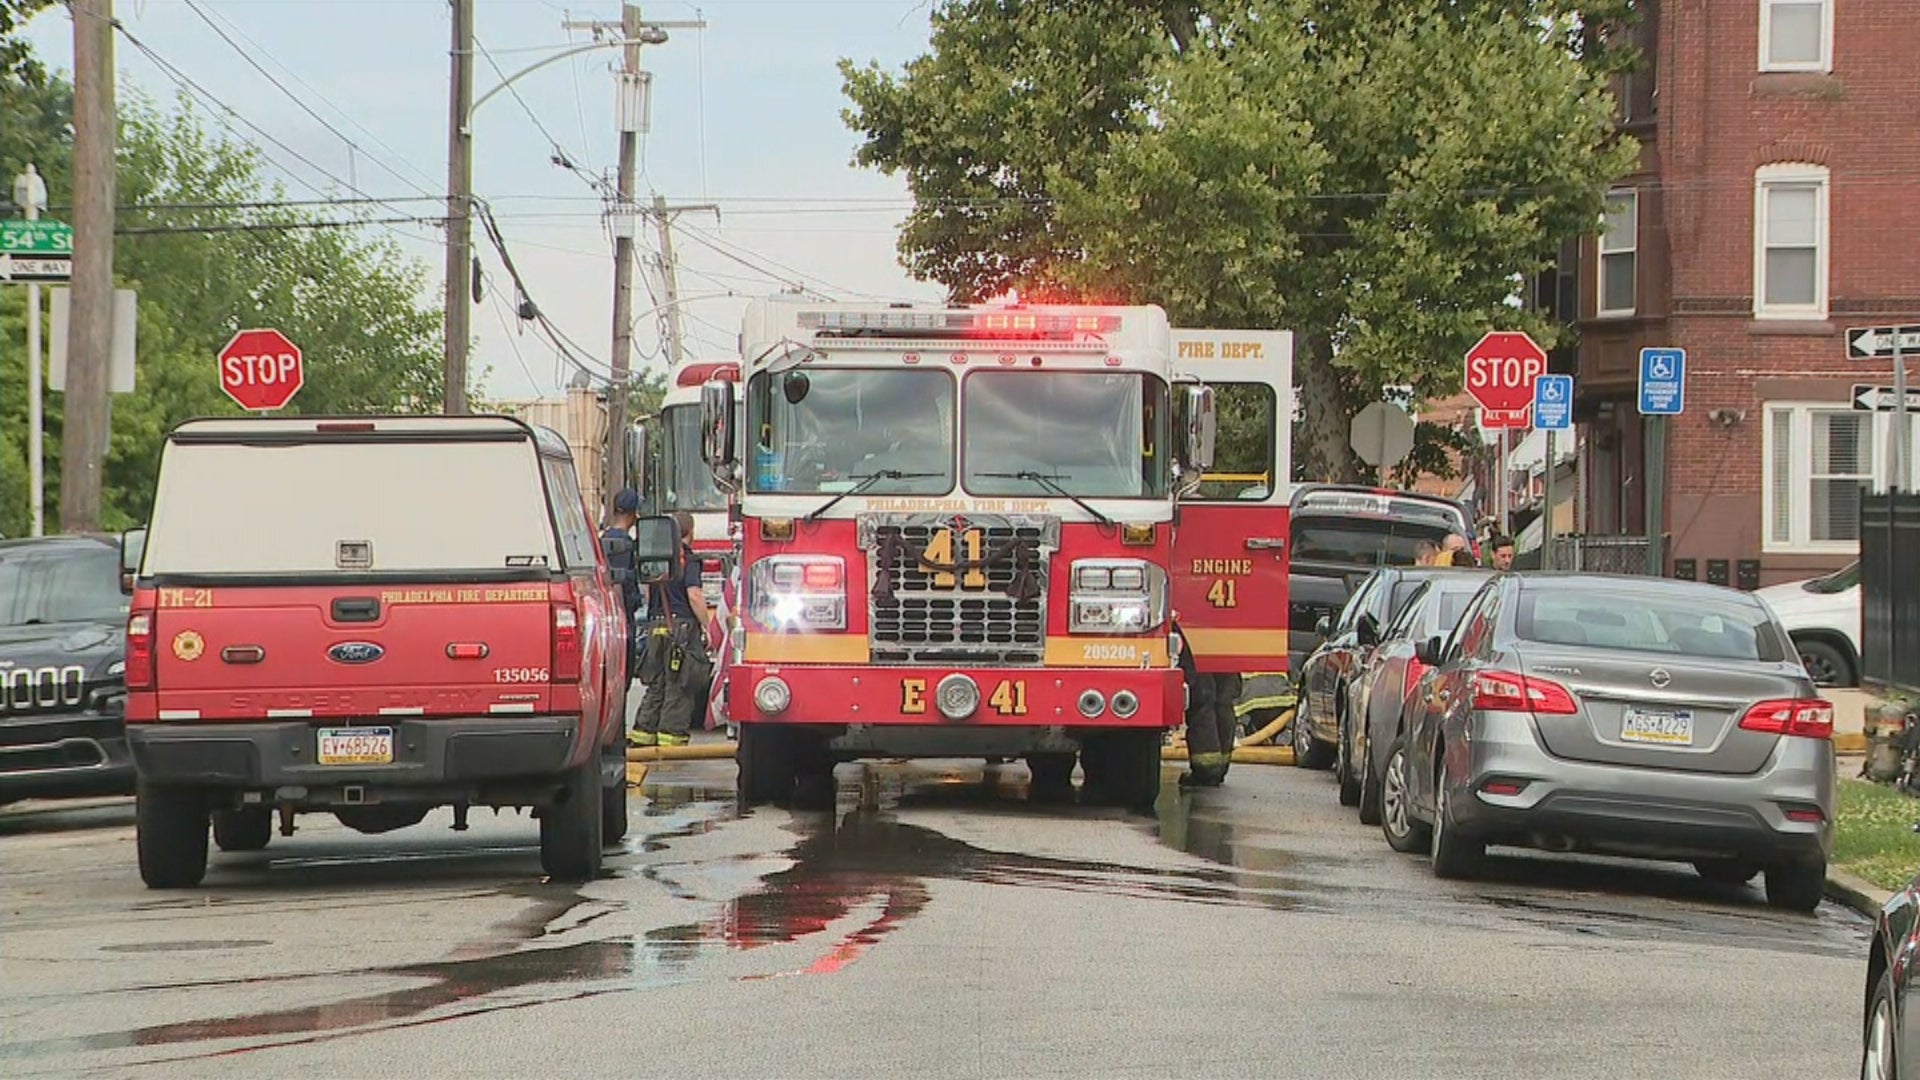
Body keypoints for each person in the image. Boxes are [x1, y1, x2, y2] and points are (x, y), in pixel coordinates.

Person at [631, 511, 713, 749]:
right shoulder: (687, 559)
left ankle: (643, 733)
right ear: (691, 532)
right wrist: (707, 627)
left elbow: (648, 591)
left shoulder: (658, 558)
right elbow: (694, 595)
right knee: (681, 685)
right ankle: (671, 738)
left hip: (657, 626)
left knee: (657, 684)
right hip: (682, 629)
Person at [1177, 619, 1242, 788]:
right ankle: (1219, 767)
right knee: (1223, 701)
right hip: (1229, 634)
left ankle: (1206, 770)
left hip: (1196, 634)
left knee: (1203, 700)